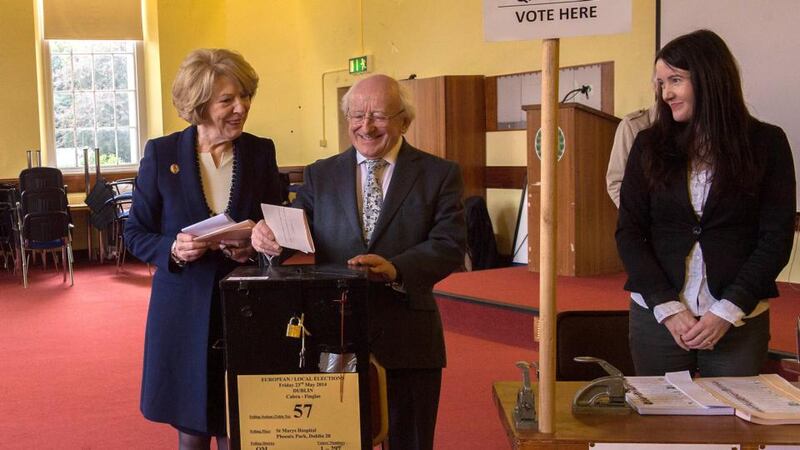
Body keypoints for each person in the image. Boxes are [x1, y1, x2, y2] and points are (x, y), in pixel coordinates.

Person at [251, 74, 466, 450]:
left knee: (411, 442)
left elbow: (449, 244)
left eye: (379, 116)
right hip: (336, 331)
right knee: (339, 441)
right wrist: (267, 238)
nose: (365, 126)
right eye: (356, 115)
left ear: (404, 121)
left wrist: (397, 268)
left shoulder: (438, 173)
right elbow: (293, 231)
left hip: (409, 334)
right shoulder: (321, 173)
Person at [125, 49, 282, 450]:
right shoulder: (161, 154)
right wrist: (174, 250)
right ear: (199, 104)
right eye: (227, 100)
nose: (241, 108)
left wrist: (257, 246)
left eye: (245, 97)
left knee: (240, 423)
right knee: (191, 429)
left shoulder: (260, 151)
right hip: (183, 309)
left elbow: (278, 225)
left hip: (244, 308)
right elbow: (136, 232)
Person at [616, 29, 796, 377]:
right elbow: (629, 232)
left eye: (675, 80)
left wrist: (727, 311)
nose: (665, 93)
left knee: (732, 425)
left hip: (737, 320)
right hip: (659, 318)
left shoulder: (767, 143)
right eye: (661, 83)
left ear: (709, 78)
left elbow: (775, 238)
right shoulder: (648, 144)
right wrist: (667, 306)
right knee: (661, 427)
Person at [606, 105, 656, 207]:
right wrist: (634, 215)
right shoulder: (633, 125)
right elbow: (616, 182)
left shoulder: (692, 123)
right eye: (663, 87)